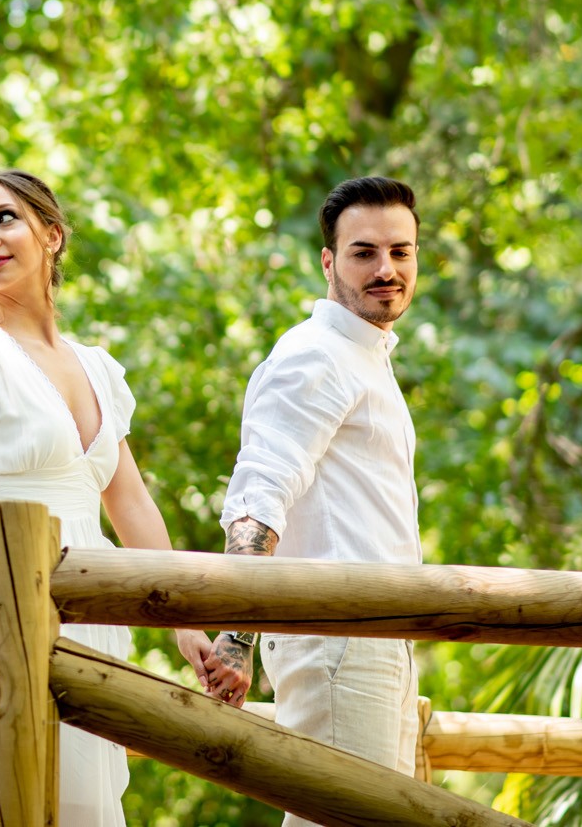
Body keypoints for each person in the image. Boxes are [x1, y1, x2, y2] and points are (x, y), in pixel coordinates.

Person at [0, 168, 214, 827]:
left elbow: (130, 503)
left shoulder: (98, 366)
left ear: (52, 234)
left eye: (4, 218)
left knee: (90, 802)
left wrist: (185, 622)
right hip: (4, 600)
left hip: (94, 607)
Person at [201, 175, 424, 810]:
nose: (386, 269)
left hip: (381, 639)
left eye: (400, 252)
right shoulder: (316, 354)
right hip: (337, 641)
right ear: (328, 262)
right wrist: (236, 637)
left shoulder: (365, 357)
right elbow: (259, 493)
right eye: (363, 253)